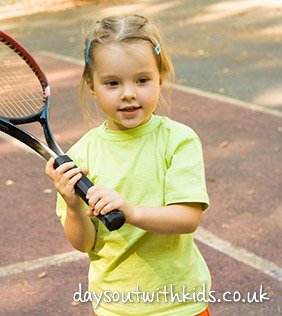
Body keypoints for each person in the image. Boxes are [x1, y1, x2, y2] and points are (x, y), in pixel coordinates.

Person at [45, 14, 211, 316]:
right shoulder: (81, 156)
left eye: (142, 80)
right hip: (115, 306)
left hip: (180, 303)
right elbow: (84, 243)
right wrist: (72, 205)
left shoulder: (178, 140)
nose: (129, 93)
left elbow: (187, 218)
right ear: (91, 86)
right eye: (112, 83)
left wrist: (130, 212)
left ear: (161, 77)